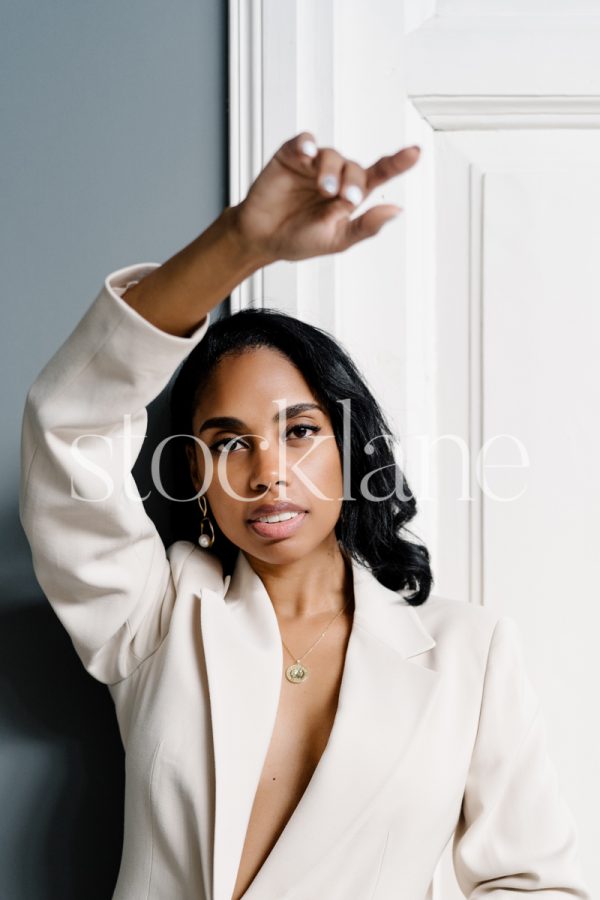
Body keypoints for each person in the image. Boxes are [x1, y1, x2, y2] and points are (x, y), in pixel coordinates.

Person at [18, 132, 590, 900]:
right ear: (196, 471)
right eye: (230, 443)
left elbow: (534, 885)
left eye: (299, 430)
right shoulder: (154, 615)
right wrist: (240, 244)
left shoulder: (469, 655)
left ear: (349, 449)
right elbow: (69, 429)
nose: (267, 474)